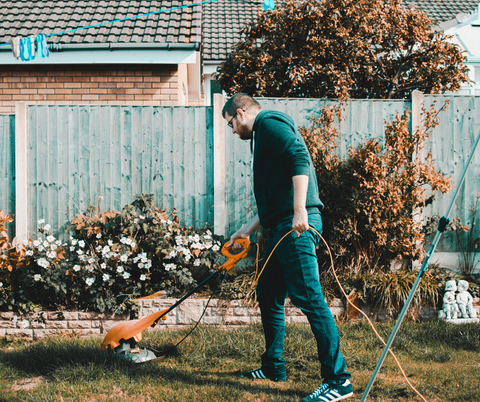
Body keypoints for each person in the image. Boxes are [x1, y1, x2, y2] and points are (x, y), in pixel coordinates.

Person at [222, 93, 352, 402]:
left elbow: (298, 156)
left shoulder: (270, 123)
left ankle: (338, 381)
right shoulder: (262, 137)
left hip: (295, 228)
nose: (232, 131)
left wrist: (299, 210)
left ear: (241, 114)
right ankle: (273, 367)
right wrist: (244, 230)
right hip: (281, 226)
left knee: (309, 298)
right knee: (268, 292)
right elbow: (273, 201)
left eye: (230, 124)